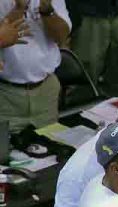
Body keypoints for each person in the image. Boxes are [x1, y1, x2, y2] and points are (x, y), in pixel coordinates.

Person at [0, 0, 69, 130]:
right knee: (4, 148)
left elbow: (61, 37)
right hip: (5, 95)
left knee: (50, 145)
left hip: (45, 91)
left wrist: (46, 9)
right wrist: (20, 8)